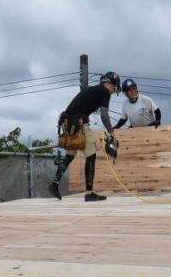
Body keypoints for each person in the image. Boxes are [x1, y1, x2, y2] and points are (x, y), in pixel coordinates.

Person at [49, 72, 120, 202]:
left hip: (67, 122)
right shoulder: (104, 91)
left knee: (70, 155)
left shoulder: (93, 90)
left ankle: (54, 184)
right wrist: (112, 133)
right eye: (114, 89)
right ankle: (89, 193)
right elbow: (104, 115)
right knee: (91, 155)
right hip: (80, 123)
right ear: (110, 83)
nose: (113, 92)